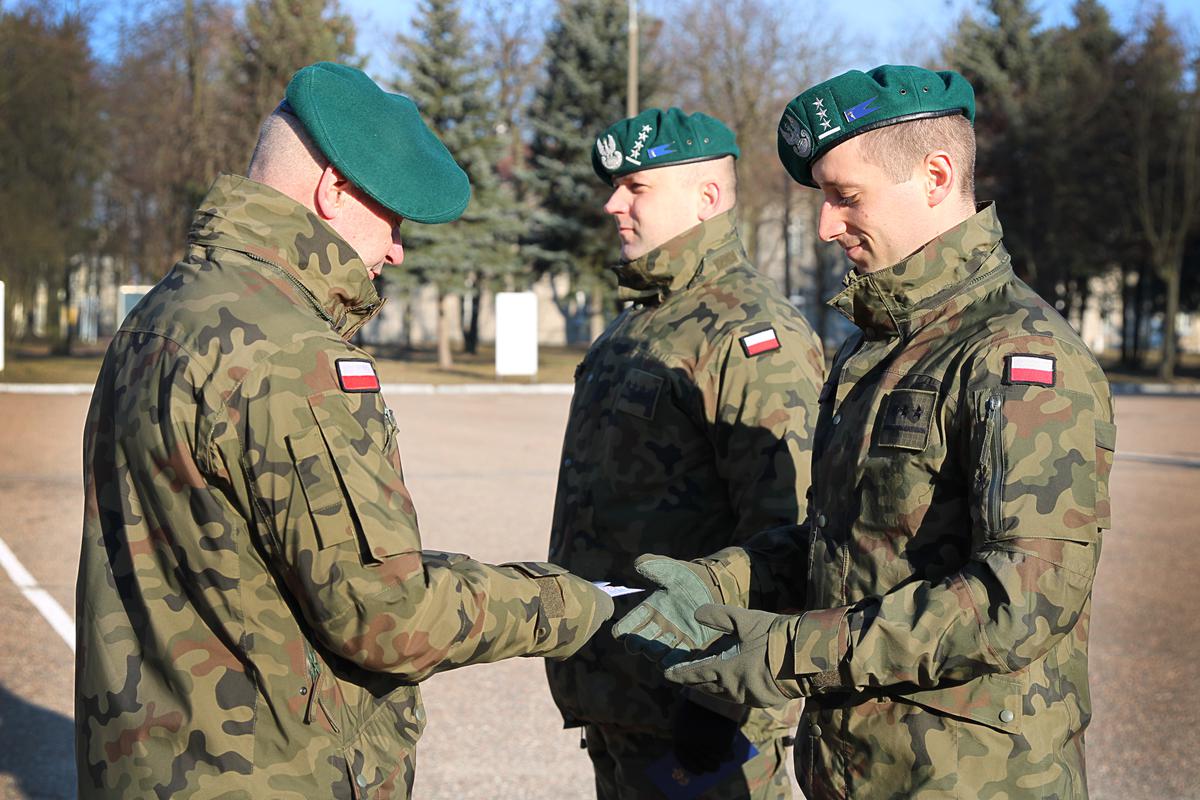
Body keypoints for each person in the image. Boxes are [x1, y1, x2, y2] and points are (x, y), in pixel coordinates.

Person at [75, 61, 613, 799]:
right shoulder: (289, 351)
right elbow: (385, 614)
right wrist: (571, 601)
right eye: (393, 218)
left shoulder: (162, 314)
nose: (396, 250)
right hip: (268, 777)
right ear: (333, 191)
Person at [614, 65, 1115, 799]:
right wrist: (720, 580)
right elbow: (846, 544)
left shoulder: (1015, 353)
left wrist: (790, 650)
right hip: (855, 767)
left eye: (846, 197)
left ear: (936, 176)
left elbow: (1023, 599)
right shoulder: (881, 344)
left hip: (970, 778)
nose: (826, 225)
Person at [546, 107, 825, 799]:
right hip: (622, 693)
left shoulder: (750, 332)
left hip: (699, 709)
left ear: (707, 196)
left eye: (635, 187)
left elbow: (788, 531)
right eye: (616, 188)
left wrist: (718, 700)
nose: (613, 205)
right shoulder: (640, 322)